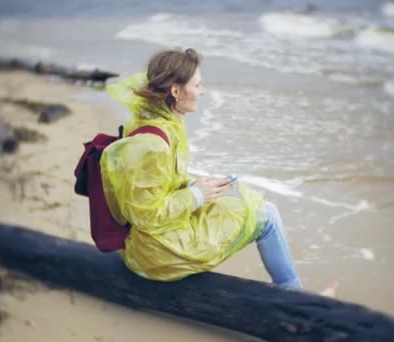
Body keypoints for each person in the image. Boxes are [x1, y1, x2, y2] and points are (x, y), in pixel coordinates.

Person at [100, 48, 302, 288]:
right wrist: (196, 195)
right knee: (266, 217)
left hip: (157, 240)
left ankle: (292, 291)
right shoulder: (153, 144)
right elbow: (144, 215)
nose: (202, 91)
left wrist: (193, 185)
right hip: (157, 254)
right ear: (175, 91)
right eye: (197, 85)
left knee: (262, 210)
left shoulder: (158, 122)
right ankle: (294, 297)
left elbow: (157, 184)